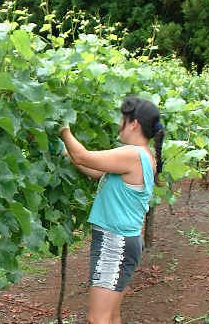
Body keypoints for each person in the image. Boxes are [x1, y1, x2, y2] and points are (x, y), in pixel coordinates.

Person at [59, 96, 165, 324]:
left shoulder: (132, 154)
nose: (119, 124)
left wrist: (63, 127)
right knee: (111, 316)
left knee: (98, 319)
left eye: (122, 119)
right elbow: (93, 168)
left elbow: (83, 156)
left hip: (114, 244)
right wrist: (62, 149)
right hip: (123, 242)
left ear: (133, 123)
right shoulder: (144, 156)